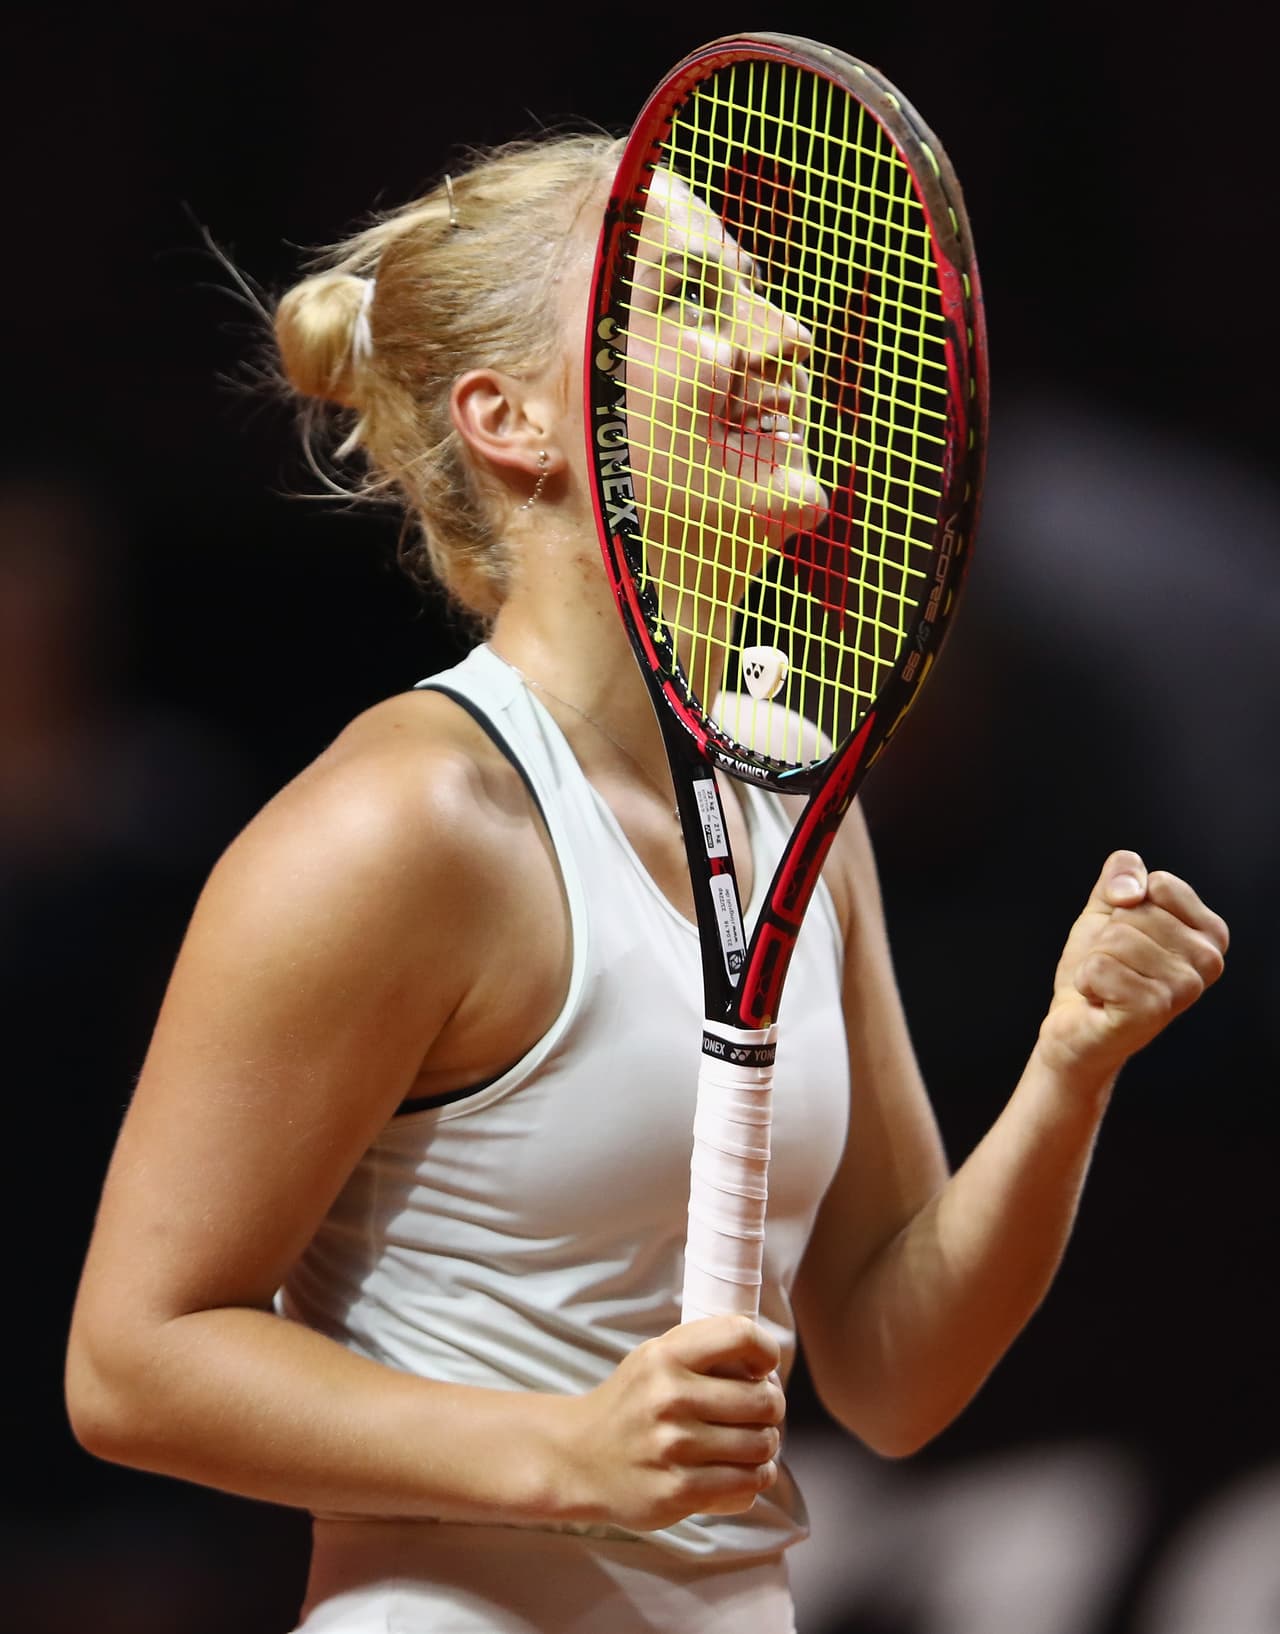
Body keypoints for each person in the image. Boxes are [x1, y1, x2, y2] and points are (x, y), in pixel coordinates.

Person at [65, 135, 1229, 1634]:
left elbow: (889, 1368)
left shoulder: (797, 793)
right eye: (690, 295)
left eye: (762, 293)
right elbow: (132, 1360)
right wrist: (566, 1447)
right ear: (512, 419)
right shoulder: (403, 822)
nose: (789, 333)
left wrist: (1072, 1065)